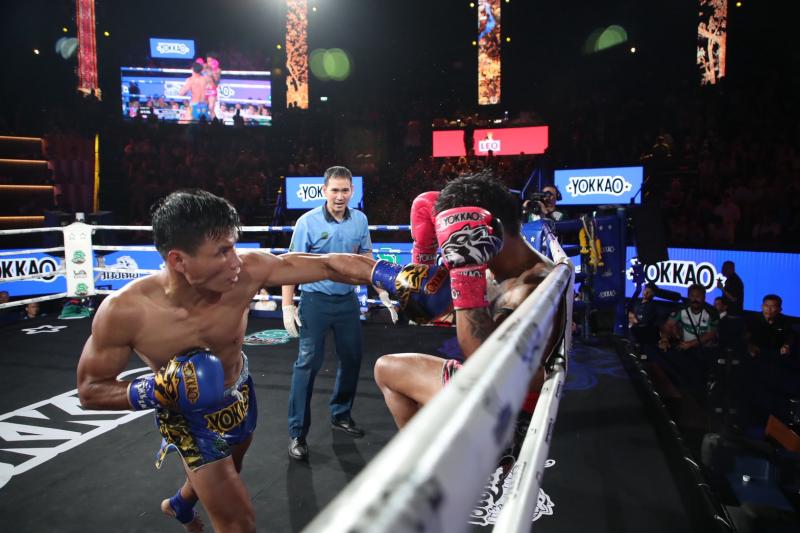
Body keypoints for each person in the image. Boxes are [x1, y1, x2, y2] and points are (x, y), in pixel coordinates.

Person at [76, 189, 383, 532]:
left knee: (231, 469)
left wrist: (394, 277)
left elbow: (328, 264)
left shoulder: (248, 270)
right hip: (187, 417)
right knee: (237, 521)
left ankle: (180, 504)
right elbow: (90, 390)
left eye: (233, 247)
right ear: (178, 260)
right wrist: (161, 389)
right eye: (222, 252)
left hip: (239, 389)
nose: (236, 261)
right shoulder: (126, 311)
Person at [372, 172, 560, 446]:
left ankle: (425, 459)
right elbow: (446, 309)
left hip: (508, 399)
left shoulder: (527, 286)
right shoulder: (508, 264)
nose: (453, 243)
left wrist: (464, 273)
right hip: (511, 381)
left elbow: (485, 367)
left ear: (487, 228)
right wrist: (421, 258)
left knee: (387, 369)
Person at [282, 166, 394, 461]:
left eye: (345, 190)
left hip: (347, 301)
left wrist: (381, 290)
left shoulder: (360, 220)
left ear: (352, 191)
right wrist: (287, 305)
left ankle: (341, 414)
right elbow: (290, 264)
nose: (340, 196)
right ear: (324, 191)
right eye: (335, 190)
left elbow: (367, 258)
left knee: (353, 358)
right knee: (307, 364)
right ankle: (297, 433)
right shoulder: (307, 222)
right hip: (315, 301)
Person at [657, 284, 718, 402]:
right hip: (686, 349)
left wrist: (690, 344)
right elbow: (668, 326)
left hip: (705, 351)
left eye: (698, 296)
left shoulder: (711, 312)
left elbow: (711, 335)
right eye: (692, 296)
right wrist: (664, 339)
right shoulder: (681, 309)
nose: (695, 299)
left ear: (704, 297)